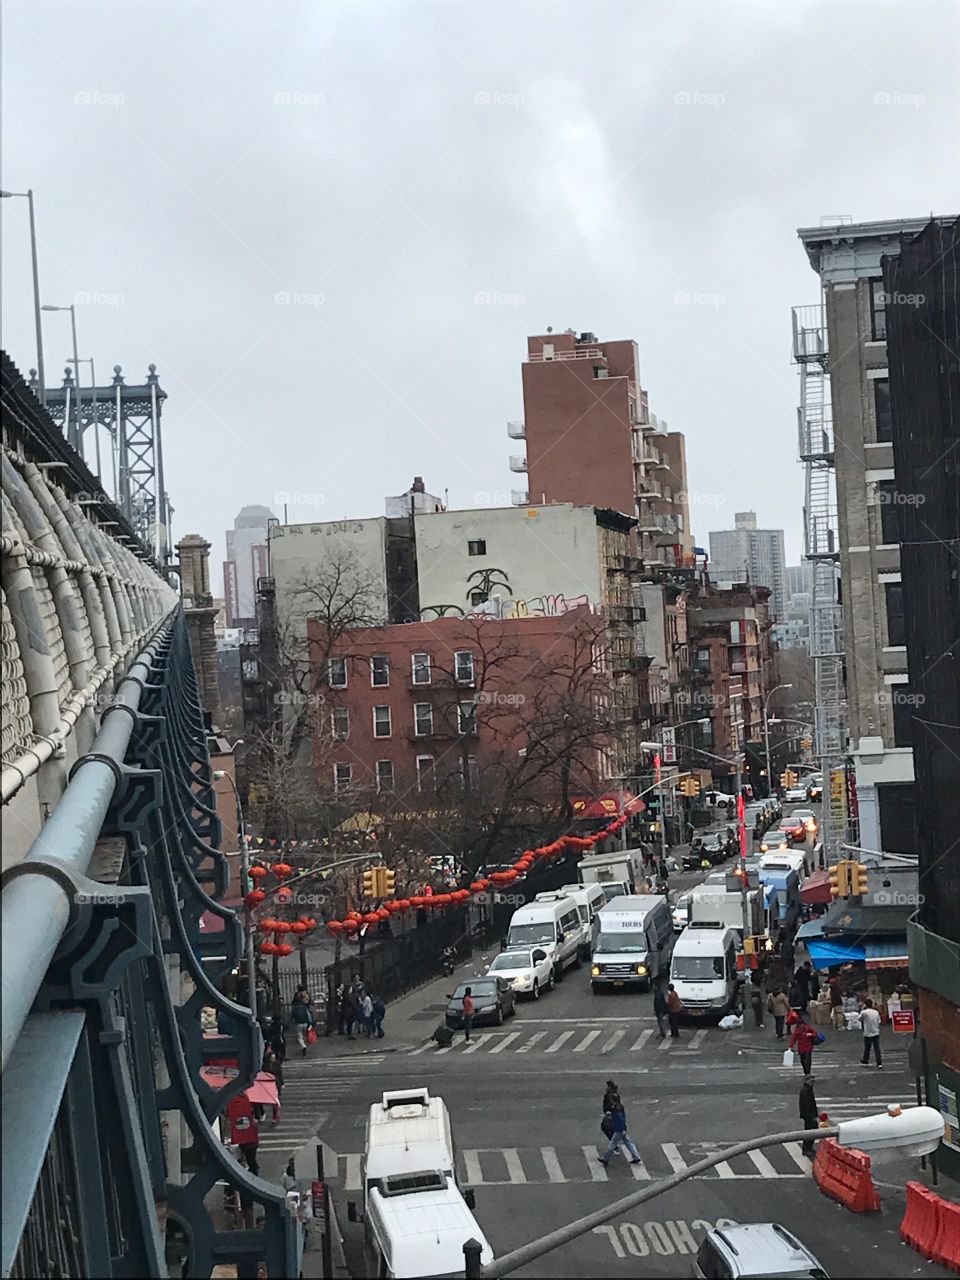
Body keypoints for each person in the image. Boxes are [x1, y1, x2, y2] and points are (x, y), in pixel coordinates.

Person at [599, 1094, 642, 1166]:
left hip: (619, 1130)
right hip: (621, 1129)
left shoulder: (617, 1108)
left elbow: (620, 1119)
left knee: (612, 1144)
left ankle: (605, 1158)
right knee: (628, 1143)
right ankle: (636, 1156)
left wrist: (622, 1129)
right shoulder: (619, 1106)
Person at [261, 1046, 283, 1124]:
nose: (274, 1059)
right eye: (272, 1057)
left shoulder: (277, 1064)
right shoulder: (265, 1066)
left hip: (275, 1084)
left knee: (274, 1102)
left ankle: (275, 1116)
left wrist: (281, 1084)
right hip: (268, 1084)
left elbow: (280, 1074)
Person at [799, 1075, 819, 1156]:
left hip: (809, 1115)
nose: (812, 1083)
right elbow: (807, 1105)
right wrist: (811, 1116)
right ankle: (807, 1148)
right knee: (810, 1131)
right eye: (811, 1081)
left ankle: (808, 1147)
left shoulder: (808, 1090)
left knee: (811, 1131)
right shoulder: (805, 1091)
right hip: (808, 1116)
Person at [860, 998, 882, 1067]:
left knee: (867, 1048)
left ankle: (865, 1060)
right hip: (876, 1031)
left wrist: (862, 1009)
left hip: (867, 1032)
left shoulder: (864, 1012)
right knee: (877, 1048)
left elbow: (859, 1018)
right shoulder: (876, 1012)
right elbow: (879, 1021)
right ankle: (879, 1062)